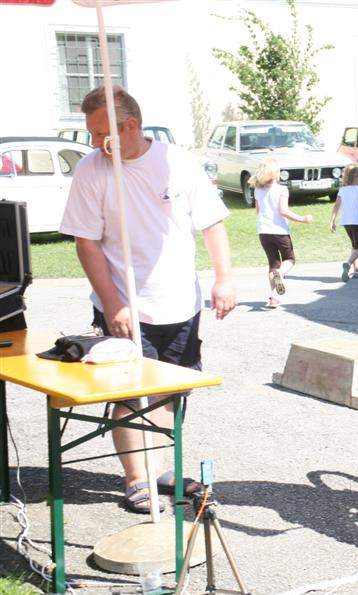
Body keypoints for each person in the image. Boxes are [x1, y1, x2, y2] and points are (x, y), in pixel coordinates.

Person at [59, 85, 237, 514]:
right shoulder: (91, 170)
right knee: (127, 395)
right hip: (122, 304)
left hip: (180, 304)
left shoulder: (178, 163)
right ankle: (136, 479)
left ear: (132, 126)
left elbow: (212, 223)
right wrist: (114, 302)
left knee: (170, 393)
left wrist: (224, 279)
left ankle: (160, 468)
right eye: (90, 133)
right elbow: (87, 244)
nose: (95, 143)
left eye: (102, 133)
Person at [249, 158, 313, 308]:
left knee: (273, 263)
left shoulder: (258, 190)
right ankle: (280, 274)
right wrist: (303, 219)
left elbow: (258, 211)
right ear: (275, 174)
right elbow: (284, 211)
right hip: (280, 231)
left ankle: (274, 297)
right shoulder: (281, 190)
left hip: (263, 232)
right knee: (289, 260)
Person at [329, 164, 358, 282]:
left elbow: (336, 206)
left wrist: (332, 221)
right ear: (357, 176)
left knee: (354, 245)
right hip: (356, 222)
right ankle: (348, 264)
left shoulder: (342, 190)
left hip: (346, 223)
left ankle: (357, 269)